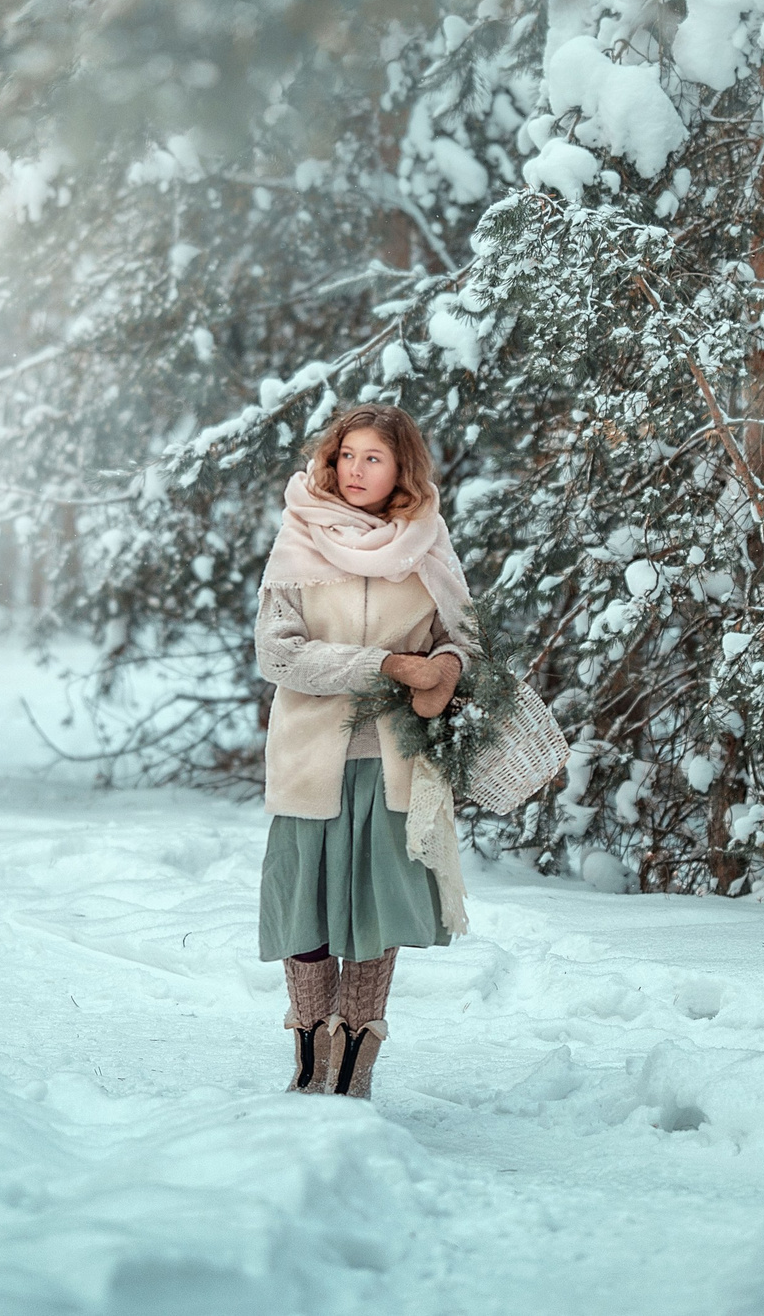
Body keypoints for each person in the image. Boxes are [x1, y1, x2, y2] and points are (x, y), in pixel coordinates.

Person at [254, 403, 476, 1100]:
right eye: (347, 454)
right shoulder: (301, 532)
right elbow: (277, 653)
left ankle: (354, 1065)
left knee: (376, 915)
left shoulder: (427, 540)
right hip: (309, 756)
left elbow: (462, 638)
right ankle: (309, 1056)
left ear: (401, 467)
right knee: (305, 910)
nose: (355, 469)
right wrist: (382, 665)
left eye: (373, 457)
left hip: (395, 761)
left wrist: (445, 668)